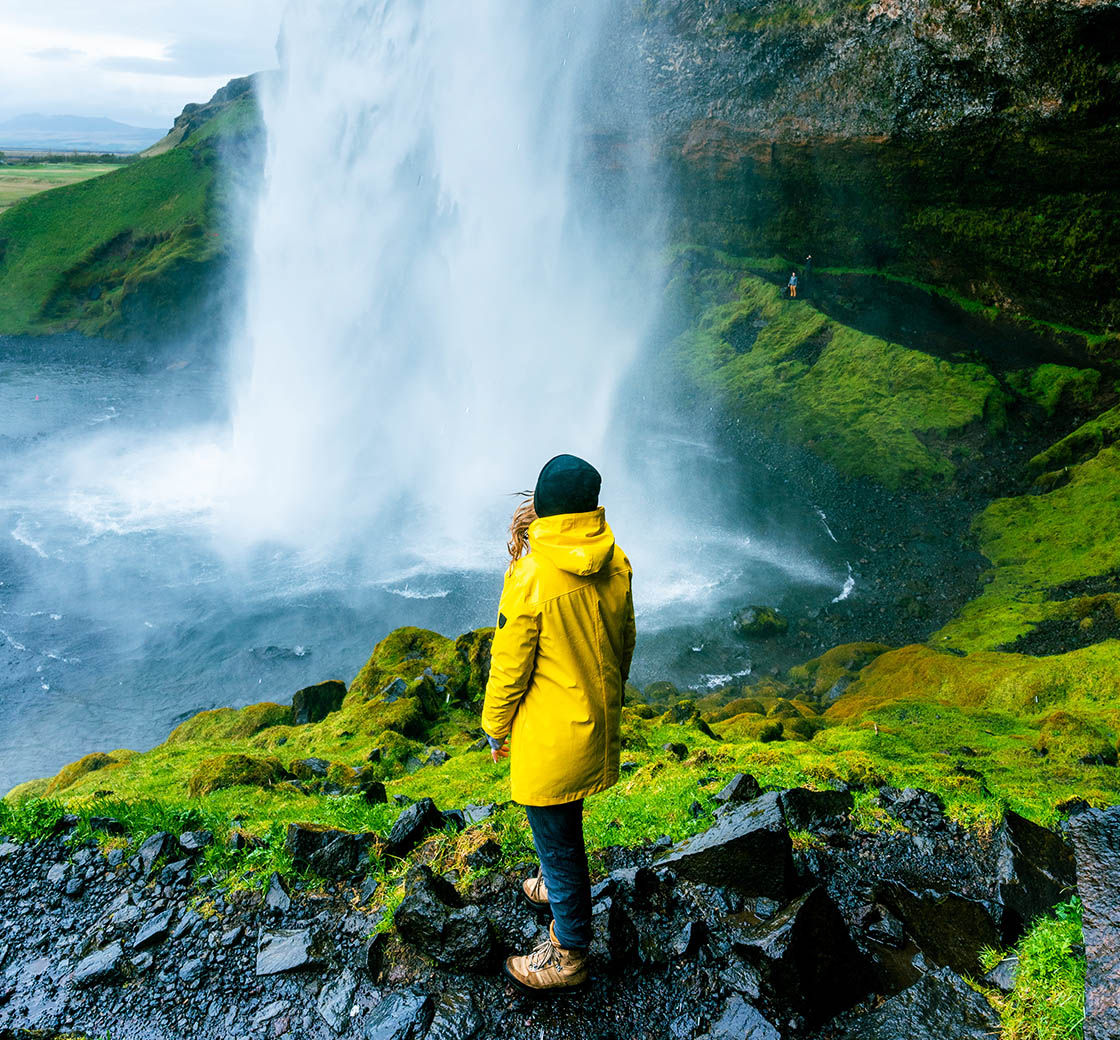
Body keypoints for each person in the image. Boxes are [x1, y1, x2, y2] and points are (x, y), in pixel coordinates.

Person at [482, 454, 635, 995]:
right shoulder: (616, 561)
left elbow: (508, 668)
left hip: (549, 740)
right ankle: (551, 884)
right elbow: (623, 646)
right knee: (562, 828)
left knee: (561, 842)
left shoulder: (530, 577)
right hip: (591, 726)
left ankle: (568, 955)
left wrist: (495, 727)